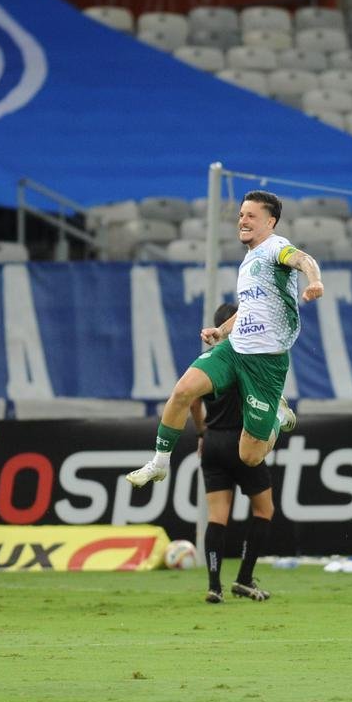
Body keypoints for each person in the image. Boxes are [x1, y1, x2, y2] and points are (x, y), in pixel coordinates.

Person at [126, 190, 321, 486]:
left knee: (250, 456)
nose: (243, 221)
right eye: (241, 215)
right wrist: (221, 331)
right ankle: (159, 463)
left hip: (265, 363)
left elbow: (304, 259)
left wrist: (315, 281)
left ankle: (278, 418)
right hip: (234, 349)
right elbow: (249, 308)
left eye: (251, 216)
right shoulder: (250, 259)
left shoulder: (276, 248)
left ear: (270, 222)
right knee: (183, 391)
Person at [193, 302, 275, 604]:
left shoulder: (207, 361)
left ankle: (214, 586)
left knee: (217, 517)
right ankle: (243, 578)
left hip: (213, 441)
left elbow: (191, 400)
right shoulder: (246, 358)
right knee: (264, 510)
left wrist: (201, 432)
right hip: (242, 442)